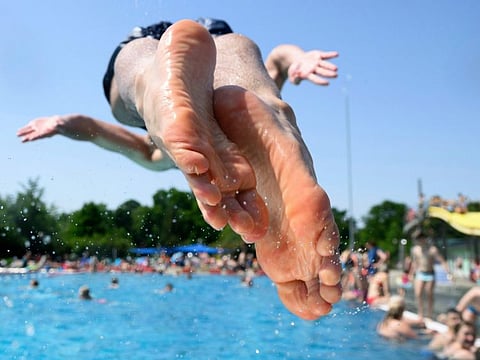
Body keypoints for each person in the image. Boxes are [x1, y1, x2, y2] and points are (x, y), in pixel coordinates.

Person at [17, 18, 342, 320]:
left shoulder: (162, 156)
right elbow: (280, 60)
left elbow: (95, 130)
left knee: (135, 73)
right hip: (220, 39)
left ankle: (150, 87)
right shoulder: (169, 152)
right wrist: (299, 57)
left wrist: (61, 123)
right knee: (252, 85)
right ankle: (273, 114)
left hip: (150, 44)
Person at [409, 231, 450, 319]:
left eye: (421, 238)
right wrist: (411, 274)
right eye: (418, 239)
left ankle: (429, 315)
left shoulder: (432, 250)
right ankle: (420, 313)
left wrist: (448, 273)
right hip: (420, 273)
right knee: (418, 294)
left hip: (430, 273)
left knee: (429, 295)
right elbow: (414, 263)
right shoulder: (415, 250)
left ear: (425, 239)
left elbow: (442, 261)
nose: (420, 240)